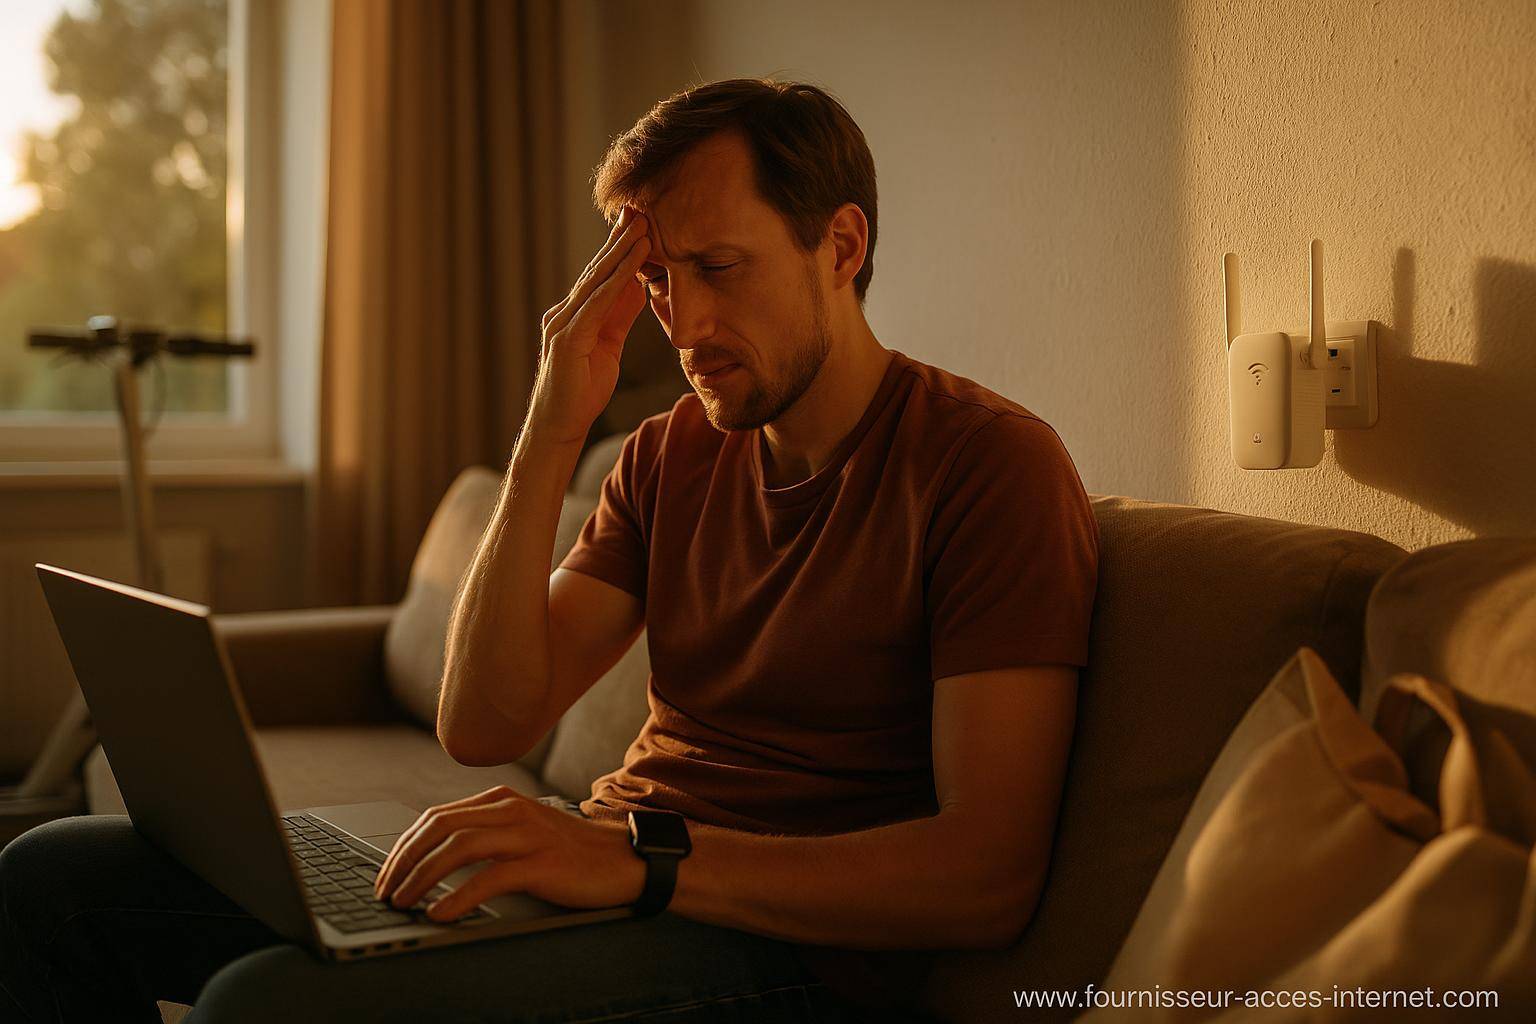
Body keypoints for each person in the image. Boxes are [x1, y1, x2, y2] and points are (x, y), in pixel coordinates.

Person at [0, 77, 1098, 1023]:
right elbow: (484, 722)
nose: (683, 321)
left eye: (719, 266)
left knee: (260, 1005)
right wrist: (551, 424)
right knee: (50, 878)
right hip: (616, 878)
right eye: (658, 279)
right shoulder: (671, 455)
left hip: (786, 958)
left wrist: (638, 859)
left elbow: (986, 878)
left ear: (841, 246)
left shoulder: (988, 467)